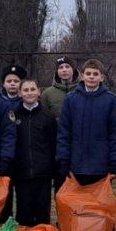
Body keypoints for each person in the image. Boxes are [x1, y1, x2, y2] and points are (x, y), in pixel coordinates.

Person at [56, 59, 116, 186]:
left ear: (102, 77)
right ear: (82, 76)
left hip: (101, 164)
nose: (91, 77)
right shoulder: (70, 99)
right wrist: (63, 160)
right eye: (88, 74)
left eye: (95, 74)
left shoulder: (111, 101)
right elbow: (64, 132)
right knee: (78, 204)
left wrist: (115, 162)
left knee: (98, 205)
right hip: (76, 163)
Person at [9, 79, 56, 226]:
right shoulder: (14, 115)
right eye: (26, 90)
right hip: (21, 173)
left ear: (38, 92)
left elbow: (53, 143)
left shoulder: (48, 116)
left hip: (43, 173)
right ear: (20, 93)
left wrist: (53, 167)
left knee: (42, 212)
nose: (29, 93)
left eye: (32, 89)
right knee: (24, 212)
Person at [39, 55, 79, 191]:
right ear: (57, 71)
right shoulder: (48, 94)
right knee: (60, 185)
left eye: (67, 67)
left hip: (79, 144)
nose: (64, 70)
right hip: (57, 145)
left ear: (73, 69)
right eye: (61, 67)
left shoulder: (82, 90)